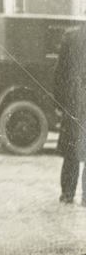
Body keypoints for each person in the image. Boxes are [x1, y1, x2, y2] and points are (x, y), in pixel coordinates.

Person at [53, 22, 86, 204]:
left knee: (71, 151)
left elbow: (60, 72)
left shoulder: (71, 36)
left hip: (74, 102)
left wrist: (59, 102)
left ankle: (67, 193)